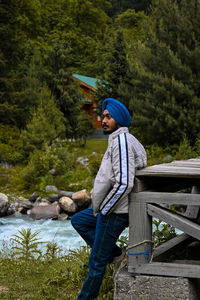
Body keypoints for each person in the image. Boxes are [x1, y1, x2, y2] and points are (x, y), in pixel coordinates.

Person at [71, 98, 147, 300]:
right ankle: (114, 254)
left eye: (108, 116)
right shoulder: (118, 139)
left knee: (96, 261)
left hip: (115, 210)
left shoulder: (122, 142)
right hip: (109, 206)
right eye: (103, 116)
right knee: (78, 220)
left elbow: (124, 183)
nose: (103, 120)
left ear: (119, 119)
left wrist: (105, 209)